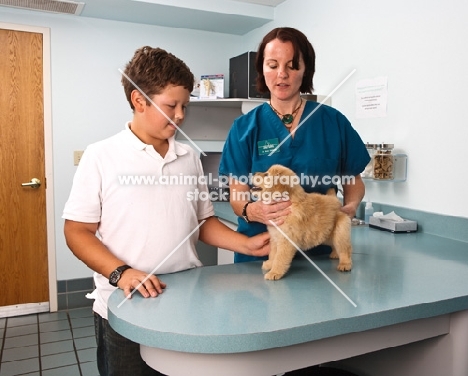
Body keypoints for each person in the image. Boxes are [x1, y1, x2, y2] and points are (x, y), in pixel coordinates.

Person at [63, 46, 270, 376]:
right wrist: (121, 273)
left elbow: (202, 222)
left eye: (184, 106)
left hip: (186, 298)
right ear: (139, 100)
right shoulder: (101, 156)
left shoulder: (188, 157)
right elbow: (76, 231)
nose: (181, 116)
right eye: (171, 105)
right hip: (123, 303)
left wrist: (244, 245)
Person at [219, 27, 370, 263]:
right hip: (263, 253)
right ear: (262, 69)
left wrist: (350, 207)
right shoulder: (244, 128)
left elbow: (353, 180)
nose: (282, 74)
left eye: (292, 65)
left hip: (318, 255)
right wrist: (253, 210)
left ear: (305, 69)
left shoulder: (333, 122)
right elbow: (237, 194)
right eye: (272, 65)